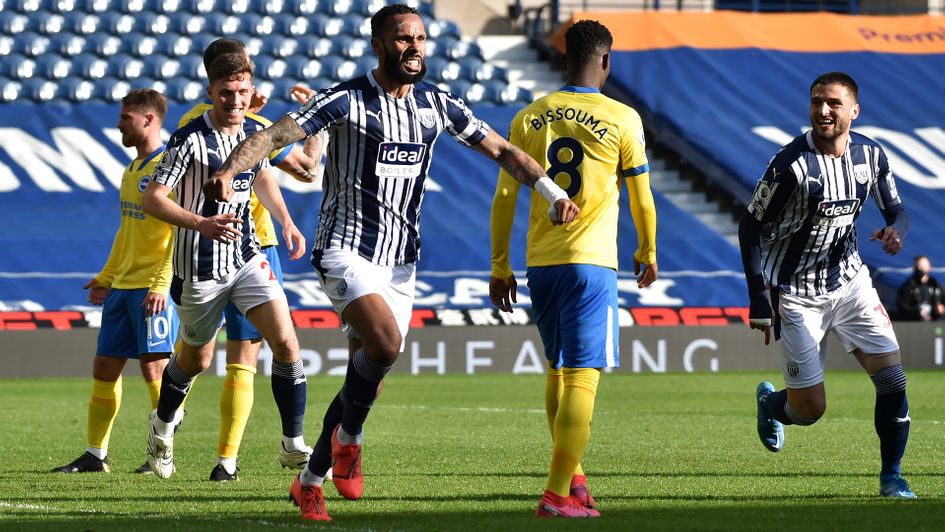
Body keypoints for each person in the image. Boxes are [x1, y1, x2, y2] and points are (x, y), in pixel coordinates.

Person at [202, 3, 580, 521]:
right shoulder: (346, 99)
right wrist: (228, 169)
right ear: (379, 45)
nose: (414, 47)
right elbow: (272, 137)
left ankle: (310, 481)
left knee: (368, 371)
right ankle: (349, 443)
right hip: (345, 247)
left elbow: (502, 150)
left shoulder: (437, 103)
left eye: (421, 38)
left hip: (401, 260)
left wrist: (552, 190)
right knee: (385, 344)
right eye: (403, 39)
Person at [490, 20, 657, 518]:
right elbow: (642, 198)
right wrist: (647, 250)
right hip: (591, 262)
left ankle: (575, 477)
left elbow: (503, 197)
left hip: (541, 263)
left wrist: (500, 265)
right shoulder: (623, 118)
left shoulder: (530, 116)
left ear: (562, 59)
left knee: (558, 369)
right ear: (606, 61)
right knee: (583, 377)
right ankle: (557, 495)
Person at [739, 72, 916, 499]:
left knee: (892, 380)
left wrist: (896, 230)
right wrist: (759, 297)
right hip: (797, 294)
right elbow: (750, 227)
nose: (823, 111)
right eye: (817, 101)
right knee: (811, 410)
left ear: (854, 111)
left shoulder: (871, 156)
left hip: (851, 283)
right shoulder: (789, 165)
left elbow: (898, 211)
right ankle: (771, 405)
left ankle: (892, 477)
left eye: (834, 103)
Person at [140, 52, 309, 481]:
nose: (235, 100)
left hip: (249, 257)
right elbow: (153, 198)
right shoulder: (190, 139)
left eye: (242, 92)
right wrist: (201, 223)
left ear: (252, 92)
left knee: (286, 343)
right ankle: (162, 425)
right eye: (227, 93)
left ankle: (292, 444)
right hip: (199, 267)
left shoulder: (256, 132)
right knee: (196, 360)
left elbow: (263, 174)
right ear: (210, 93)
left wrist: (286, 221)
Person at [52, 88, 181, 475]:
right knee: (105, 366)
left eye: (126, 117)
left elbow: (178, 234)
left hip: (152, 288)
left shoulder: (169, 168)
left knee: (155, 371)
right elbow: (127, 230)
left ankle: (161, 455)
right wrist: (107, 276)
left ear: (148, 119)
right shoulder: (132, 168)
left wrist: (162, 283)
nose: (118, 123)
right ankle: (95, 455)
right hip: (124, 286)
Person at [896, 255, 945, 321]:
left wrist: (941, 309)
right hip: (913, 324)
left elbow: (942, 301)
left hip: (934, 324)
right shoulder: (908, 287)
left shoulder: (936, 286)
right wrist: (916, 312)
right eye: (917, 267)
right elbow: (901, 306)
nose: (920, 269)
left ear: (929, 267)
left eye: (923, 267)